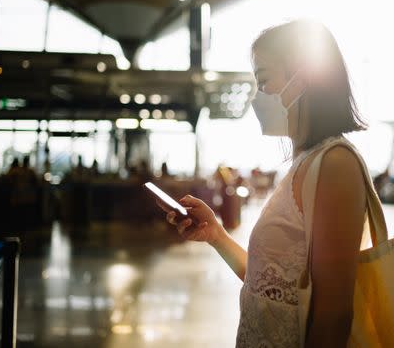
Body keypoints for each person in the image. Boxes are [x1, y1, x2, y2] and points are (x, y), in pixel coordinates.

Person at [158, 20, 375, 347]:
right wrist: (215, 235)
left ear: (301, 80)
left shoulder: (335, 165)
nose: (257, 97)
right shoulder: (306, 162)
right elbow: (271, 284)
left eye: (263, 81)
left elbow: (333, 313)